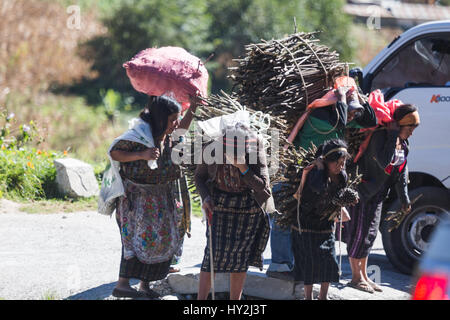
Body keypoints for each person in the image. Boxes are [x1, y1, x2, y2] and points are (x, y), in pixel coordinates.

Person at [268, 86, 377, 280]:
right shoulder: (320, 117)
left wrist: (360, 98)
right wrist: (343, 97)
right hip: (294, 170)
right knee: (283, 217)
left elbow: (371, 121)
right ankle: (279, 266)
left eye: (354, 113)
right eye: (350, 111)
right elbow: (341, 122)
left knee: (304, 219)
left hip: (316, 175)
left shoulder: (341, 117)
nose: (352, 117)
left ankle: (297, 265)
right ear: (337, 106)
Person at [108, 95, 197, 299]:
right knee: (135, 241)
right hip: (138, 199)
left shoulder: (168, 133)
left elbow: (182, 128)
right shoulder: (139, 135)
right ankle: (122, 285)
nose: (176, 123)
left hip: (160, 197)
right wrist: (142, 155)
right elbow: (115, 152)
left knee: (156, 241)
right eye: (172, 118)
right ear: (160, 118)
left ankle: (144, 286)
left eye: (177, 118)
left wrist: (192, 109)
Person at [342, 104, 420, 293]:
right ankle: (355, 277)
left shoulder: (403, 144)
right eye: (409, 128)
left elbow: (401, 172)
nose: (411, 133)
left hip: (377, 195)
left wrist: (404, 199)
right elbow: (385, 161)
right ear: (398, 125)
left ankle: (364, 276)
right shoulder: (380, 137)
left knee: (370, 234)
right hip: (361, 192)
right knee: (358, 235)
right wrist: (392, 135)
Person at [195, 123, 274, 300]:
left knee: (240, 258)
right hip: (219, 205)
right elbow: (199, 177)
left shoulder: (254, 149)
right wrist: (206, 197)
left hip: (247, 208)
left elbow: (263, 187)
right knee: (212, 256)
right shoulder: (212, 149)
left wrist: (243, 167)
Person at [291, 139, 355, 300]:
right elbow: (318, 189)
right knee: (309, 263)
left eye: (343, 163)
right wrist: (319, 168)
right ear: (327, 161)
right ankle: (308, 297)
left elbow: (340, 195)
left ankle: (323, 296)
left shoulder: (341, 176)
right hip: (307, 223)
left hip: (325, 223)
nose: (340, 166)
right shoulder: (315, 174)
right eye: (337, 163)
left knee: (329, 261)